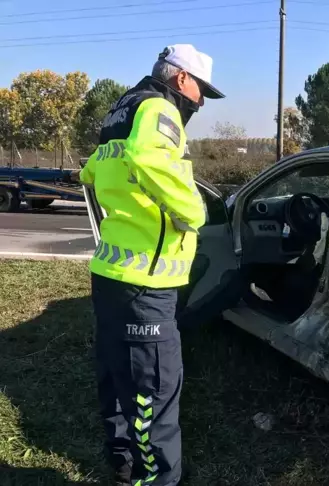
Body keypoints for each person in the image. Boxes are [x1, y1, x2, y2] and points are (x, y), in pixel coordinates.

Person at [75, 44, 224, 486]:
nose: (200, 102)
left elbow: (90, 172)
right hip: (147, 288)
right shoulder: (159, 108)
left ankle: (123, 466)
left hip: (111, 277)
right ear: (181, 79)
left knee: (119, 383)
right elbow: (148, 158)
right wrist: (194, 211)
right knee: (154, 396)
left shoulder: (120, 110)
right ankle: (160, 479)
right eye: (201, 91)